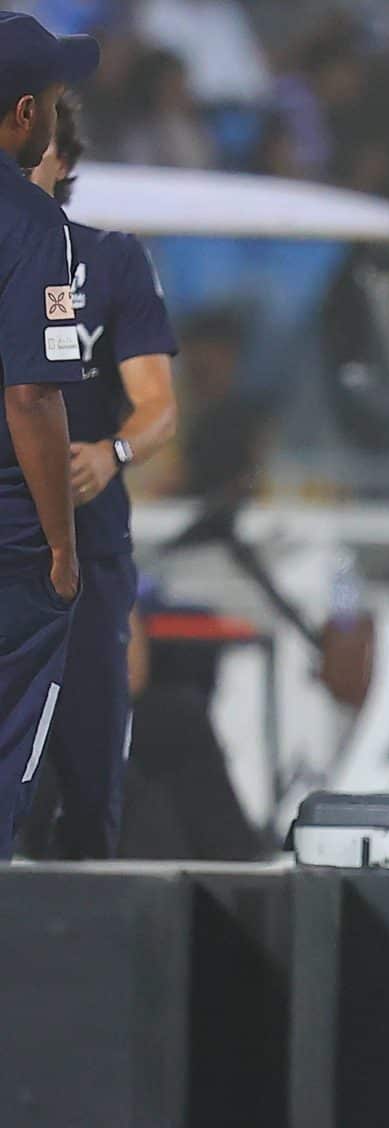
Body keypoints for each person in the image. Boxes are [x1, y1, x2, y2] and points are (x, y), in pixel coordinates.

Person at [14, 92, 180, 860]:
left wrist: (108, 452)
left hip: (88, 550)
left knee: (85, 773)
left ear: (64, 161)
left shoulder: (111, 260)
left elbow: (156, 407)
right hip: (18, 540)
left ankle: (76, 943)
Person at [0, 12, 97, 861]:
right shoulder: (33, 226)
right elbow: (31, 392)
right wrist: (62, 550)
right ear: (24, 113)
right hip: (9, 549)